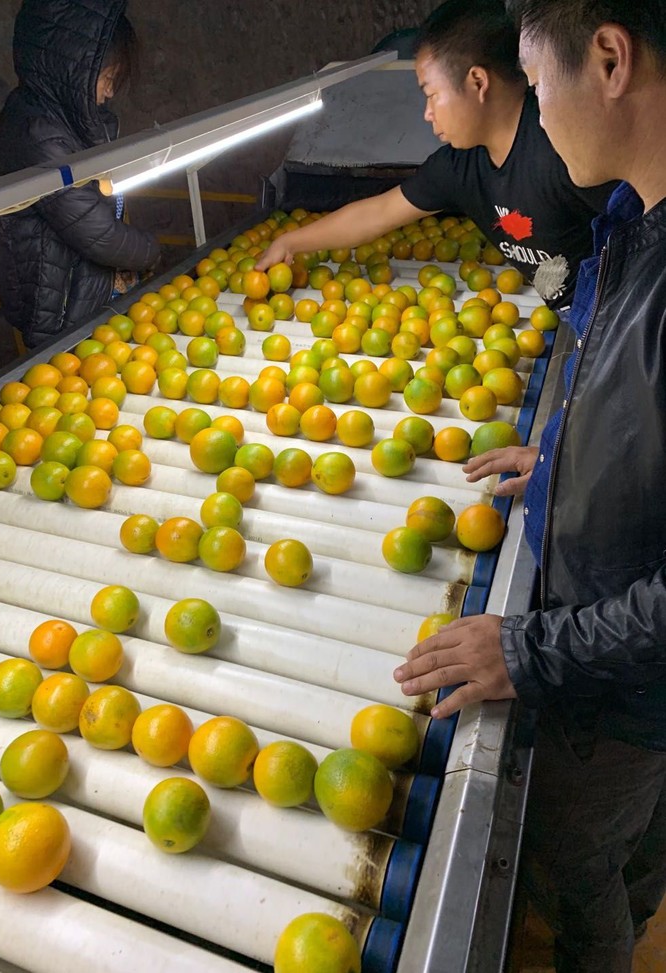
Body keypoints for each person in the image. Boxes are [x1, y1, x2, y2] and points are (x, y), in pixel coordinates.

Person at [394, 2, 666, 970]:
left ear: (610, 59)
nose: (538, 117)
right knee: (634, 844)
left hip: (623, 681)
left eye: (540, 85)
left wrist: (531, 646)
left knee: (570, 856)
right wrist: (562, 452)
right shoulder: (631, 223)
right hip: (613, 656)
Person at [257, 0, 615, 312]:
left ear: (478, 82)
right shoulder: (460, 168)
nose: (428, 113)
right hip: (580, 321)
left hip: (618, 317)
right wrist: (289, 242)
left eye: (431, 94)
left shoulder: (564, 147)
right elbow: (376, 213)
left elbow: (639, 235)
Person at [0, 0, 160, 348]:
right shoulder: (37, 132)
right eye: (107, 79)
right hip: (58, 310)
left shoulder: (66, 116)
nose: (109, 93)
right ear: (74, 70)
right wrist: (153, 252)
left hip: (79, 297)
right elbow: (97, 233)